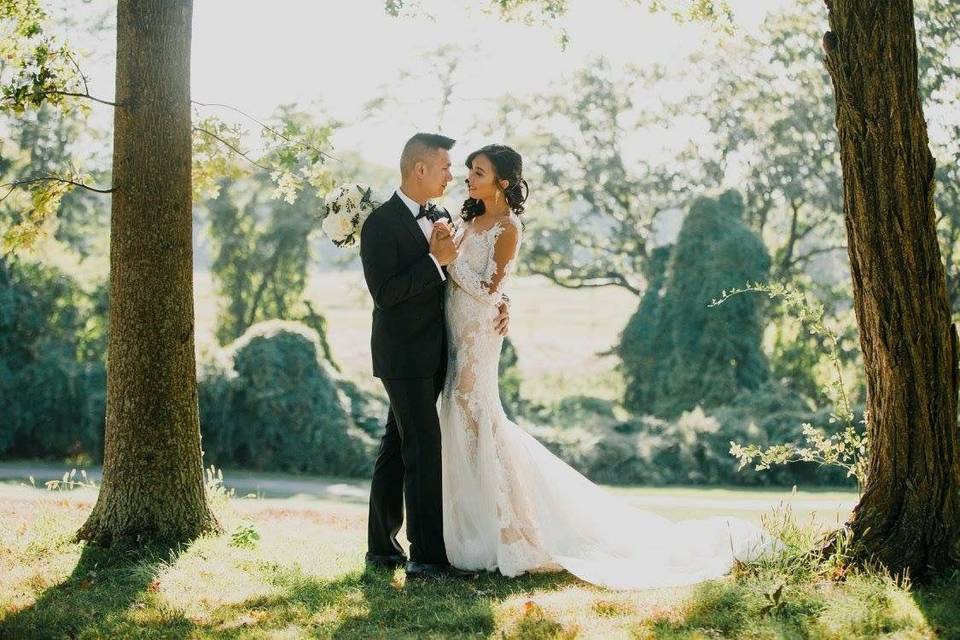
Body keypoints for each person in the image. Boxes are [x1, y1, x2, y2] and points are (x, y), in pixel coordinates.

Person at [438, 143, 775, 589]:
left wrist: (453, 265)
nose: (469, 177)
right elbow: (485, 286)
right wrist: (462, 268)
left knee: (476, 416)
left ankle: (508, 530)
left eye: (477, 171)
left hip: (479, 334)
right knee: (457, 416)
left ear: (502, 182)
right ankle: (469, 527)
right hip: (455, 327)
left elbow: (489, 285)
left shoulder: (508, 225)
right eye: (469, 170)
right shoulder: (464, 218)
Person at [359, 133, 510, 581]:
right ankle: (427, 558)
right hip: (402, 354)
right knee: (424, 447)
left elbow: (473, 278)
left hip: (440, 351)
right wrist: (434, 261)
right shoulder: (380, 224)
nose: (452, 175)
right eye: (445, 167)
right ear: (419, 169)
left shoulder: (443, 215)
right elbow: (385, 295)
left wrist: (502, 301)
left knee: (395, 446)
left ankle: (380, 549)